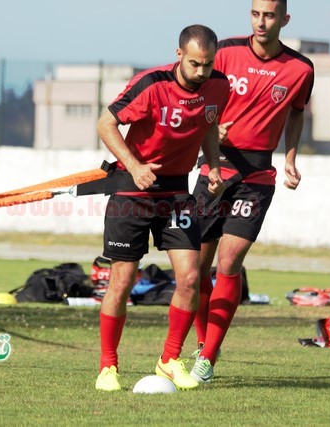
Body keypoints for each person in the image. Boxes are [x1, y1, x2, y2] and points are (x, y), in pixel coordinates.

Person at [94, 24, 229, 391]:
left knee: (190, 277)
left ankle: (169, 359)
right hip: (132, 191)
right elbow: (105, 123)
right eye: (195, 64)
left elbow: (207, 128)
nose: (202, 72)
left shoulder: (219, 85)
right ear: (178, 55)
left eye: (208, 64)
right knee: (121, 281)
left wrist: (212, 166)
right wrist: (135, 166)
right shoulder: (151, 85)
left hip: (176, 193)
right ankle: (108, 366)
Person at [189, 0, 315, 384]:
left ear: (284, 19)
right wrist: (209, 128)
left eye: (270, 15)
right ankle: (203, 342)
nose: (262, 22)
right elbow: (194, 96)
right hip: (215, 166)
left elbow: (297, 111)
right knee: (195, 269)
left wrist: (290, 156)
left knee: (230, 261)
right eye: (256, 14)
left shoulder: (300, 69)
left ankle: (207, 359)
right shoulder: (223, 52)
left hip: (258, 174)